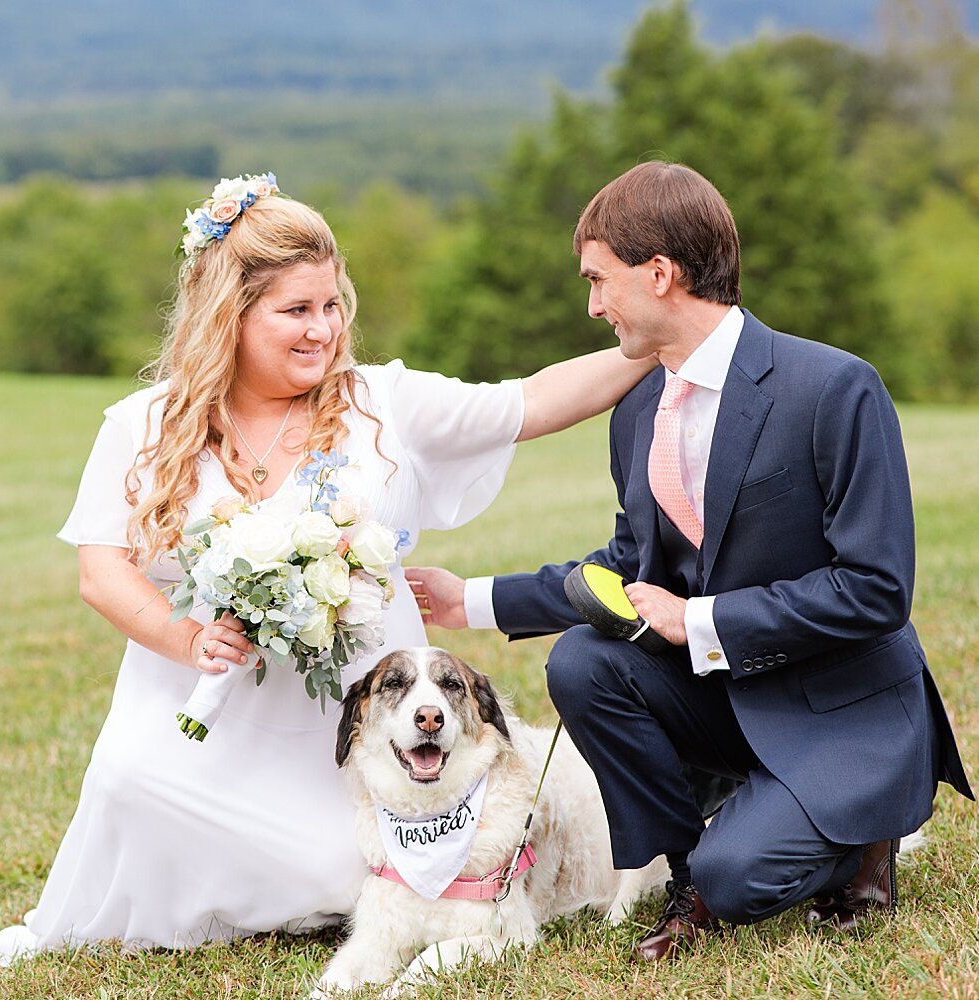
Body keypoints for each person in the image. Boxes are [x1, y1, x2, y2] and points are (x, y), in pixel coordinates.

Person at [0, 174, 655, 963]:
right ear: (228, 315)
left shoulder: (381, 404)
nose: (324, 330)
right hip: (204, 700)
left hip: (358, 718)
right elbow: (102, 572)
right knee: (129, 787)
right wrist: (187, 637)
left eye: (332, 306)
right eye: (296, 311)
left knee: (369, 863)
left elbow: (530, 402)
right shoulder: (143, 425)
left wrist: (658, 343)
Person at [407, 160, 973, 962]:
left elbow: (877, 590)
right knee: (585, 664)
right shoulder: (637, 408)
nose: (593, 304)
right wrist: (470, 599)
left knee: (745, 882)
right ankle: (688, 874)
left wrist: (699, 619)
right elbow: (630, 563)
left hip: (844, 710)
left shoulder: (836, 388)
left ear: (661, 274)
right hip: (732, 701)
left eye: (600, 280)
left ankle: (861, 838)